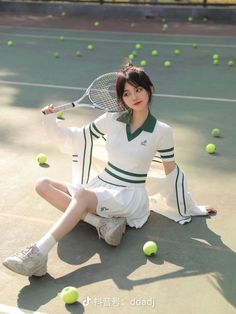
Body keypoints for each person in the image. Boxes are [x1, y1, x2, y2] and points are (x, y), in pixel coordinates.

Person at [3, 63, 217, 277]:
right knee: (42, 184)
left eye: (138, 89)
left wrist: (191, 206)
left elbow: (171, 173)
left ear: (149, 88)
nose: (134, 97)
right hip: (102, 185)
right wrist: (50, 121)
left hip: (131, 195)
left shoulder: (162, 131)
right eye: (126, 93)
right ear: (121, 99)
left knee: (84, 196)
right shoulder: (111, 119)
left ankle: (38, 254)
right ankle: (101, 222)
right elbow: (78, 139)